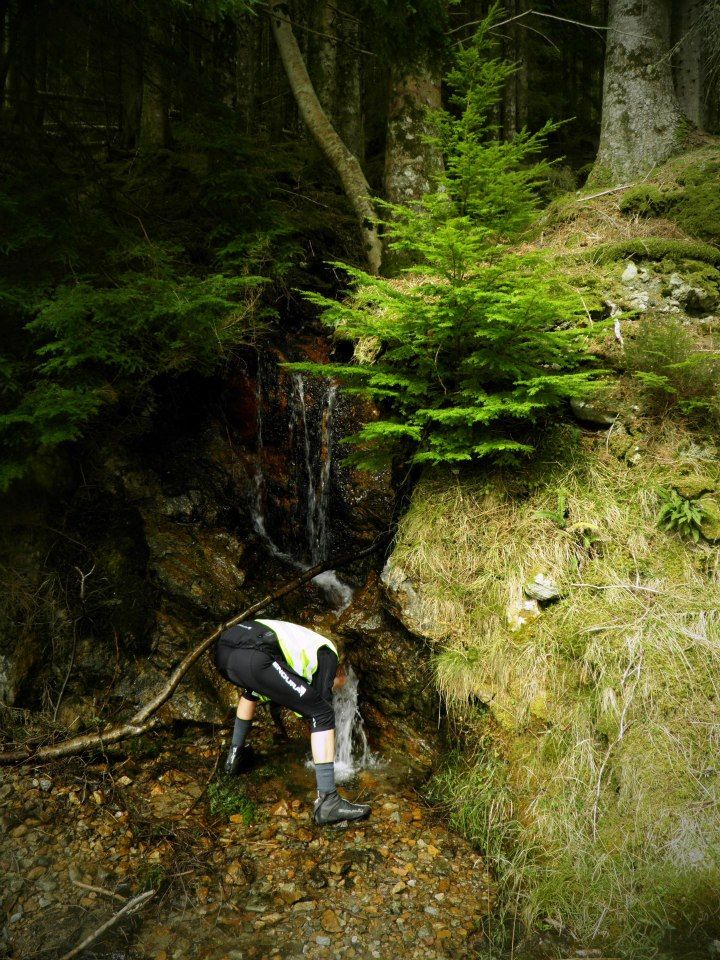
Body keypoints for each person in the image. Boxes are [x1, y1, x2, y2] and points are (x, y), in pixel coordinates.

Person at [214, 618, 371, 826]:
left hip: (224, 654)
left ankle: (234, 758)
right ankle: (329, 801)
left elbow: (291, 692)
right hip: (255, 655)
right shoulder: (327, 652)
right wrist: (335, 684)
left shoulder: (301, 642)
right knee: (323, 713)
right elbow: (318, 706)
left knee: (252, 692)